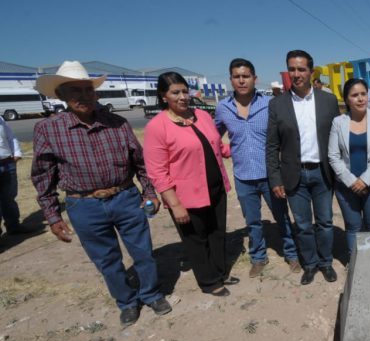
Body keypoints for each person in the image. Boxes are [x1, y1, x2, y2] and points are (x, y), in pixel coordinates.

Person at [31, 61, 171, 326]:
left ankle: (152, 294)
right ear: (62, 95)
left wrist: (149, 192)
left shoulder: (117, 123)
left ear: (95, 93)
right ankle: (127, 302)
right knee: (107, 260)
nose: (83, 97)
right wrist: (52, 216)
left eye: (88, 90)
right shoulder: (48, 129)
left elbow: (140, 163)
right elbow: (42, 175)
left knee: (143, 252)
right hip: (84, 206)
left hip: (126, 198)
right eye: (75, 91)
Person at [144, 72, 235, 297]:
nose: (183, 97)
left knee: (217, 233)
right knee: (196, 239)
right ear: (164, 96)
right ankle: (209, 281)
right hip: (186, 197)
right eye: (176, 92)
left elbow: (215, 145)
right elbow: (157, 171)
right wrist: (174, 204)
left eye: (185, 91)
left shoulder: (202, 115)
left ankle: (221, 272)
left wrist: (241, 148)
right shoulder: (157, 126)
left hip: (215, 188)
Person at [214, 58, 299, 278]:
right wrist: (227, 151)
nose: (241, 80)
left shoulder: (270, 104)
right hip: (243, 177)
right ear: (231, 79)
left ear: (254, 78)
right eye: (236, 76)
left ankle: (291, 253)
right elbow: (213, 137)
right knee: (252, 221)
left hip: (271, 175)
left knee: (282, 217)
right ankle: (258, 257)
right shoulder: (223, 108)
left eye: (246, 76)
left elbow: (284, 134)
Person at [266, 50, 340, 285]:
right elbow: (271, 145)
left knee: (326, 222)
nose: (296, 74)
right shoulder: (278, 104)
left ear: (311, 71)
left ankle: (326, 262)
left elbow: (337, 138)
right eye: (292, 69)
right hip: (293, 175)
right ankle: (310, 264)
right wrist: (275, 179)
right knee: (303, 225)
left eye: (301, 69)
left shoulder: (328, 100)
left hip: (322, 173)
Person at [329, 78, 370, 254]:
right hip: (346, 187)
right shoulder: (338, 122)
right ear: (347, 99)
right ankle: (354, 264)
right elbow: (333, 156)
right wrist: (351, 181)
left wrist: (364, 180)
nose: (360, 98)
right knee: (353, 226)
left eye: (363, 94)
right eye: (355, 95)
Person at [0, 116, 38, 237]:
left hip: (7, 162)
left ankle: (14, 226)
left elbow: (10, 136)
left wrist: (16, 152)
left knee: (9, 197)